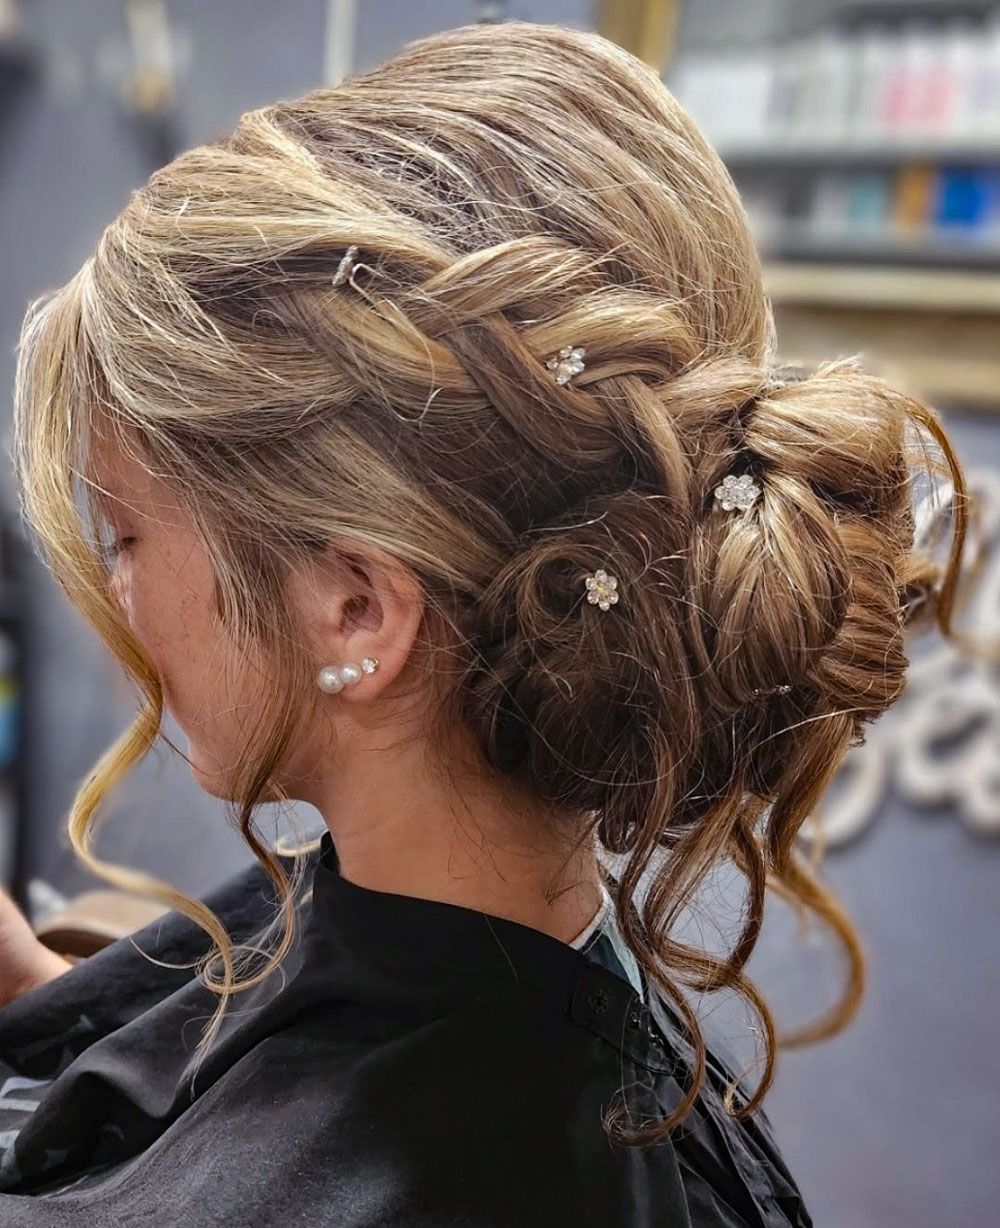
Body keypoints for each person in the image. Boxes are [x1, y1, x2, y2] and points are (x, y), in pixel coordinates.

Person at [0, 18, 968, 1227]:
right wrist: (43, 988)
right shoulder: (503, 966)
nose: (120, 596)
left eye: (128, 539)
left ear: (353, 605)